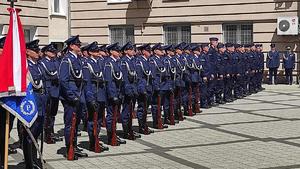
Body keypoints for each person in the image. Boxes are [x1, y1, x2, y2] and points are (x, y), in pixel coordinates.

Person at [59, 35, 88, 160]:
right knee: (70, 124)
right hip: (71, 97)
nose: (79, 46)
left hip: (79, 96)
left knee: (76, 124)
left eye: (79, 45)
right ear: (71, 46)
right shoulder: (67, 60)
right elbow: (63, 81)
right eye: (77, 45)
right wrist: (71, 96)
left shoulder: (78, 59)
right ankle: (69, 148)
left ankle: (74, 147)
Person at [24, 39, 47, 169]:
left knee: (37, 133)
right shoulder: (25, 66)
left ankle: (34, 159)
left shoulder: (38, 65)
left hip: (41, 102)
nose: (38, 52)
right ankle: (29, 163)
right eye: (35, 50)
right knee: (29, 135)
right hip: (32, 103)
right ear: (27, 52)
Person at [104, 43, 127, 146]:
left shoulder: (118, 62)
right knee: (110, 116)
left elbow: (121, 79)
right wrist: (113, 95)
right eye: (117, 51)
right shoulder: (109, 63)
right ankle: (110, 136)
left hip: (118, 93)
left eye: (119, 51)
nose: (119, 53)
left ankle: (115, 134)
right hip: (112, 94)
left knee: (115, 115)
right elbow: (108, 81)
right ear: (111, 52)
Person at [39, 44, 62, 144]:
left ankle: (51, 131)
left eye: (54, 51)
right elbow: (49, 75)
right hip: (48, 90)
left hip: (56, 90)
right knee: (47, 114)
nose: (53, 53)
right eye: (51, 51)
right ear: (46, 52)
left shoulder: (56, 61)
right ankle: (46, 133)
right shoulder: (42, 62)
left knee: (53, 113)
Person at [120, 42, 141, 140]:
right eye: (131, 49)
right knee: (126, 112)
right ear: (125, 51)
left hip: (133, 89)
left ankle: (130, 129)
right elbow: (124, 78)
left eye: (133, 49)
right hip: (127, 90)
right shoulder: (124, 62)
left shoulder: (131, 61)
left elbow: (135, 76)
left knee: (131, 111)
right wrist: (128, 90)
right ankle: (126, 131)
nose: (133, 51)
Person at [149, 43, 168, 129]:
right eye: (160, 50)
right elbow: (153, 75)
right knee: (156, 105)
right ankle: (156, 122)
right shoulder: (153, 60)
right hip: (158, 86)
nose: (162, 51)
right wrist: (156, 86)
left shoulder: (160, 59)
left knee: (160, 105)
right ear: (156, 51)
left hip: (163, 86)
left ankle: (159, 120)